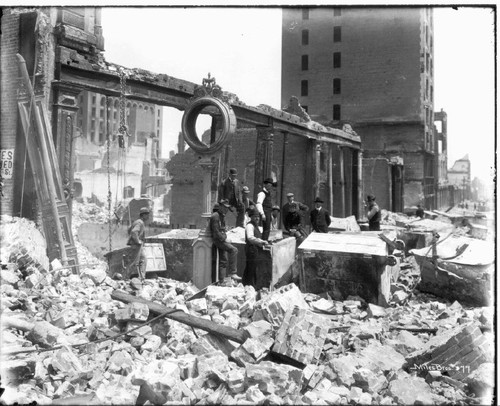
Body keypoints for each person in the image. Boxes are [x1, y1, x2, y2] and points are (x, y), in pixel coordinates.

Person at [209, 199, 241, 281]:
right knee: (234, 250)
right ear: (220, 206)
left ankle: (222, 280)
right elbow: (216, 232)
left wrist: (225, 237)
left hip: (221, 239)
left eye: (227, 208)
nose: (226, 209)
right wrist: (224, 239)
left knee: (223, 261)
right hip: (218, 240)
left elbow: (223, 230)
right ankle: (233, 272)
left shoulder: (221, 216)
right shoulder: (215, 216)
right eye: (224, 207)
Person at [243, 208, 272, 289]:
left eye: (258, 217)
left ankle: (253, 286)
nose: (257, 218)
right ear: (251, 217)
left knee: (255, 268)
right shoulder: (249, 226)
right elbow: (250, 237)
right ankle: (249, 287)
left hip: (256, 250)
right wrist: (261, 241)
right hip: (251, 250)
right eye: (255, 216)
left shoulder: (256, 226)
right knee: (251, 269)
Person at [126, 207, 150, 281]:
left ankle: (141, 277)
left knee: (142, 259)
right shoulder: (140, 223)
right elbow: (133, 232)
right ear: (143, 215)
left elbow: (129, 230)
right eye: (147, 214)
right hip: (136, 245)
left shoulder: (137, 222)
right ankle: (126, 277)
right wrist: (138, 241)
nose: (148, 216)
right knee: (135, 262)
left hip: (136, 245)